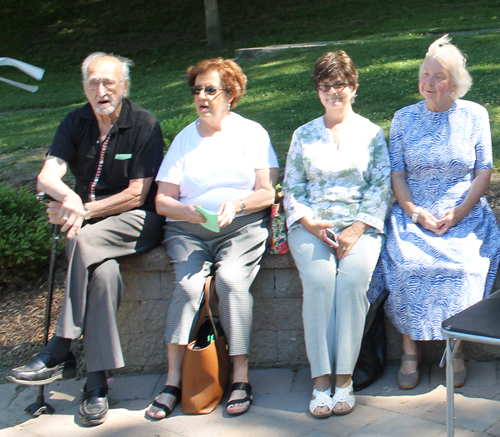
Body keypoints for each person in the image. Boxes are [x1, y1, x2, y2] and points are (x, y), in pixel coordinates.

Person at [8, 52, 165, 426]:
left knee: (80, 241)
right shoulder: (74, 121)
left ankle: (60, 347)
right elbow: (48, 175)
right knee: (105, 276)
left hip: (137, 220)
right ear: (84, 88)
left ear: (124, 86)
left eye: (109, 82)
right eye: (93, 82)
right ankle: (96, 386)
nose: (101, 89)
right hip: (90, 227)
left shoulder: (143, 123)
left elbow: (137, 194)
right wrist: (67, 197)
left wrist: (84, 212)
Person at [147, 57, 279, 419]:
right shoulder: (185, 140)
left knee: (231, 280)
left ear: (231, 95)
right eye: (197, 91)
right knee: (189, 288)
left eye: (210, 90)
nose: (202, 97)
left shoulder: (252, 133)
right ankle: (173, 381)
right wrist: (184, 210)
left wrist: (237, 203)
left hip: (241, 228)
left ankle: (240, 376)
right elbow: (162, 199)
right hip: (189, 231)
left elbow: (267, 193)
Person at [368, 35, 500, 390]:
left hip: (464, 212)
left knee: (462, 266)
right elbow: (397, 174)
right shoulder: (403, 119)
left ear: (455, 83)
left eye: (438, 76)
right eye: (424, 75)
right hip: (415, 214)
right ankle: (410, 350)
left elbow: (483, 171)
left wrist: (459, 212)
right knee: (409, 265)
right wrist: (414, 212)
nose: (428, 83)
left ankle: (453, 350)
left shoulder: (475, 115)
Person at [283, 51, 391, 418]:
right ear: (317, 90)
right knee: (319, 282)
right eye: (326, 86)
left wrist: (358, 227)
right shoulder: (303, 135)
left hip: (361, 226)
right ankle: (320, 380)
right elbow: (292, 188)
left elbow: (381, 187)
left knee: (349, 285)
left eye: (340, 85)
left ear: (354, 87)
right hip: (312, 227)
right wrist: (310, 222)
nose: (333, 92)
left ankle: (343, 378)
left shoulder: (372, 134)